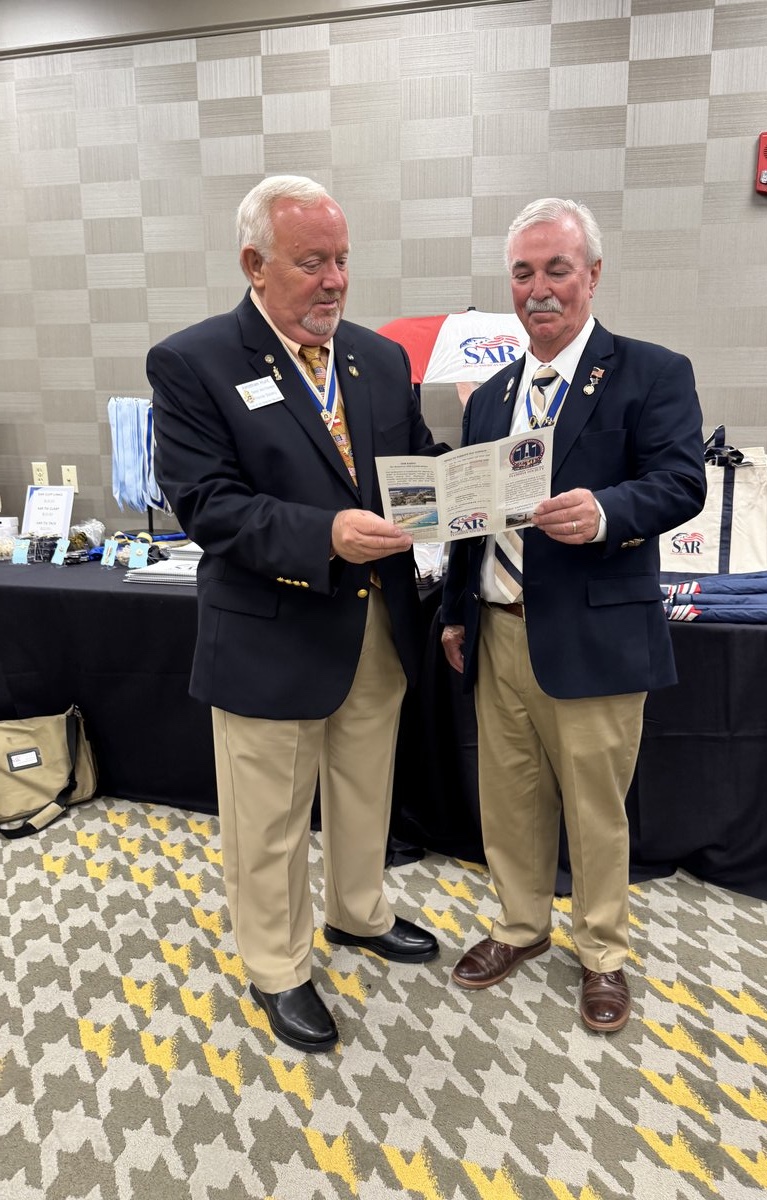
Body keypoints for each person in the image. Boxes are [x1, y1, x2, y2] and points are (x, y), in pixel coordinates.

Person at [147, 175, 442, 1054]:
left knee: (365, 791)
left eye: (343, 260)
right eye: (312, 263)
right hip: (270, 634)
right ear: (255, 264)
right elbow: (207, 504)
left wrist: (468, 493)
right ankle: (276, 966)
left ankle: (358, 912)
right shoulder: (194, 361)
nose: (335, 281)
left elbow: (413, 467)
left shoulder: (379, 360)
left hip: (377, 629)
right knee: (270, 818)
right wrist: (327, 535)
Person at [440, 197, 706, 1033]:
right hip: (498, 625)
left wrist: (605, 513)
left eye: (558, 269)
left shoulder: (651, 372)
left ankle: (602, 953)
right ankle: (520, 926)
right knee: (509, 798)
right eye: (523, 272)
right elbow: (468, 517)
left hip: (595, 633)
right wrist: (454, 611)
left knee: (596, 807)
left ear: (593, 275)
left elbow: (680, 481)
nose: (539, 289)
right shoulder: (488, 398)